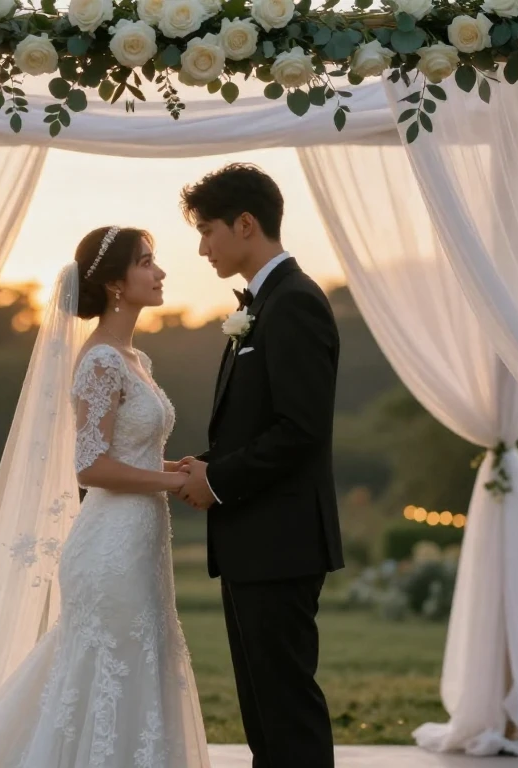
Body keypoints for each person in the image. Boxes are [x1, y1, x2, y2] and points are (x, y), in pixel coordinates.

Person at [0, 226, 209, 768]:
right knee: (108, 668)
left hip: (142, 541)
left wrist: (179, 468)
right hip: (110, 548)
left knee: (134, 664)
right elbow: (91, 466)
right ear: (116, 283)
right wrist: (175, 483)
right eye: (147, 262)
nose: (160, 272)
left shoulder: (136, 359)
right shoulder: (101, 361)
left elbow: (128, 453)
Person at [176, 163, 345, 768]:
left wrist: (218, 481)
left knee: (286, 710)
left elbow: (301, 431)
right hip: (256, 540)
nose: (203, 249)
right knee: (263, 711)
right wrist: (205, 465)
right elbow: (258, 421)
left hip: (282, 542)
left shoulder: (294, 303)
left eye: (207, 231)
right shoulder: (266, 303)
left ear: (245, 224)